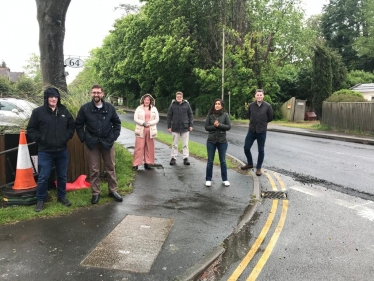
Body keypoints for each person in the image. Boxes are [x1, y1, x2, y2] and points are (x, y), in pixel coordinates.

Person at [27, 87, 75, 212]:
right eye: (51, 96)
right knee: (43, 176)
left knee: (62, 176)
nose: (53, 99)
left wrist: (65, 137)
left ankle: (62, 197)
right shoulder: (38, 112)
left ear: (58, 98)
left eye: (55, 96)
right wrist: (41, 139)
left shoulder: (64, 111)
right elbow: (31, 129)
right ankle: (41, 200)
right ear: (46, 98)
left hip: (61, 150)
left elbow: (71, 126)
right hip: (45, 151)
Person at [75, 84, 122, 204]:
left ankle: (113, 190)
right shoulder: (85, 108)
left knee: (110, 167)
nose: (96, 94)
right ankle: (95, 193)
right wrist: (84, 138)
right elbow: (79, 124)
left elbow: (117, 123)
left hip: (107, 142)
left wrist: (113, 137)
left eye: (98, 92)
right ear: (91, 94)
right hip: (92, 143)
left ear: (102, 94)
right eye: (94, 92)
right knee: (94, 169)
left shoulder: (109, 108)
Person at [241, 89, 273, 176]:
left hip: (261, 131)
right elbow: (249, 116)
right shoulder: (251, 106)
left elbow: (270, 118)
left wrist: (262, 124)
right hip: (252, 130)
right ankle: (250, 163)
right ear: (255, 96)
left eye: (260, 95)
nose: (259, 96)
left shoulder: (267, 106)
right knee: (246, 148)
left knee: (261, 150)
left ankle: (258, 168)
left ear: (263, 96)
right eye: (257, 95)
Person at [204, 98, 231, 187]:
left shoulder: (225, 115)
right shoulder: (210, 115)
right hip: (211, 140)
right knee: (210, 161)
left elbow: (228, 127)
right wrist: (214, 126)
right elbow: (207, 127)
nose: (217, 105)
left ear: (222, 106)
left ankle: (225, 179)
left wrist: (219, 125)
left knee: (223, 161)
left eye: (219, 104)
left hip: (222, 141)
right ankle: (208, 179)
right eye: (216, 104)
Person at [132, 94, 159, 171]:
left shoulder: (154, 109)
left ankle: (148, 163)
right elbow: (135, 118)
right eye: (145, 100)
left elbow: (157, 119)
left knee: (149, 147)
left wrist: (149, 123)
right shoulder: (139, 108)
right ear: (143, 100)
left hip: (150, 130)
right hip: (141, 129)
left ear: (150, 101)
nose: (146, 101)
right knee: (139, 147)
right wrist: (143, 123)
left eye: (148, 100)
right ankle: (136, 164)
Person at [166, 91, 194, 165]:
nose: (179, 98)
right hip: (175, 127)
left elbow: (190, 115)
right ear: (176, 97)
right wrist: (169, 126)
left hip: (185, 127)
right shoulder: (172, 105)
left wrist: (191, 125)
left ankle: (185, 158)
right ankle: (173, 158)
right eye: (177, 97)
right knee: (174, 144)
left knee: (185, 144)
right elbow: (169, 116)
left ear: (182, 97)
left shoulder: (187, 105)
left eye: (180, 97)